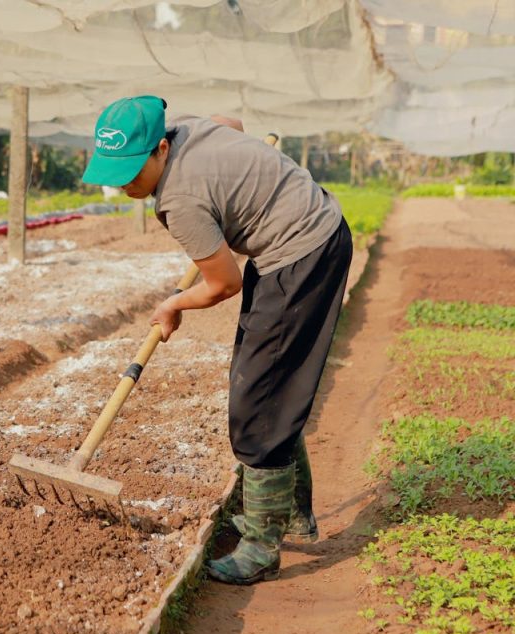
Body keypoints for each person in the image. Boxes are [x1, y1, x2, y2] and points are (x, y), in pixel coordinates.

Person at [82, 95, 352, 585]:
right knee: (263, 384)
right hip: (301, 234)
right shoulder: (187, 128)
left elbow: (224, 283)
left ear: (161, 148)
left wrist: (173, 305)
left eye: (131, 170)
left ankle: (262, 549)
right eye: (114, 171)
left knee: (258, 402)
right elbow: (232, 122)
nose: (123, 183)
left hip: (302, 252)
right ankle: (291, 514)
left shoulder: (179, 202)